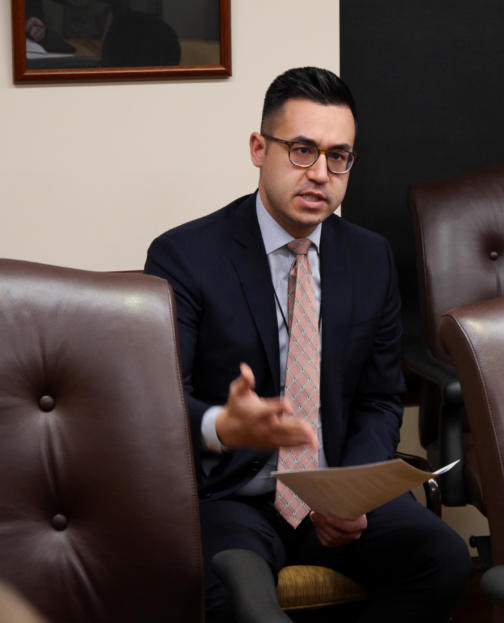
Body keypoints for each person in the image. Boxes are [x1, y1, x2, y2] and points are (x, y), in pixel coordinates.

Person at [145, 66, 471, 622]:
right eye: (302, 150)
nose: (320, 173)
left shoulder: (370, 259)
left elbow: (379, 399)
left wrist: (354, 492)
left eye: (338, 156)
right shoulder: (185, 256)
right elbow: (158, 400)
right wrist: (223, 425)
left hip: (336, 491)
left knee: (444, 561)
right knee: (233, 591)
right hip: (233, 497)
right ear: (258, 148)